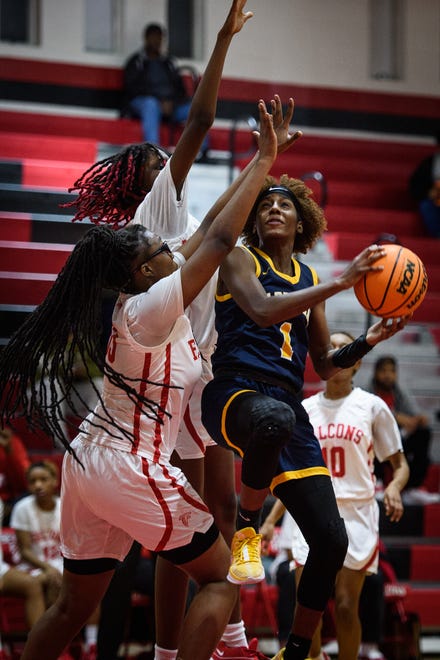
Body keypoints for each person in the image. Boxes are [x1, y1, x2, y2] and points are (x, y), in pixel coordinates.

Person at [0, 90, 279, 660]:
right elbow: (220, 241)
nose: (171, 252)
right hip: (130, 463)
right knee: (223, 580)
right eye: (159, 249)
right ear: (142, 269)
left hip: (87, 460)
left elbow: (203, 234)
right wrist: (267, 165)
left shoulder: (142, 297)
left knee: (74, 606)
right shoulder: (153, 305)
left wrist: (257, 161)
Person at [66, 4, 299, 656]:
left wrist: (262, 163)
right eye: (152, 157)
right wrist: (223, 40)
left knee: (212, 521)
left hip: (195, 375)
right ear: (142, 177)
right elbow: (197, 119)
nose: (164, 156)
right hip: (168, 389)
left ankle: (211, 634)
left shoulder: (171, 215)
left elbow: (224, 230)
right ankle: (204, 637)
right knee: (201, 528)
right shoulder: (156, 205)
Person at [200, 174, 411, 660]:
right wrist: (341, 282)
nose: (274, 209)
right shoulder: (237, 258)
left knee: (331, 541)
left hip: (285, 407)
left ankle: (295, 651)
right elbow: (261, 310)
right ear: (255, 219)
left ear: (302, 223)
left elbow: (322, 363)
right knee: (274, 417)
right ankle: (247, 531)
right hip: (233, 393)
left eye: (284, 205)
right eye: (265, 204)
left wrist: (368, 342)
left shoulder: (310, 279)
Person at [261, 331, 409, 660]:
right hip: (309, 511)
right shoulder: (304, 410)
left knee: (344, 606)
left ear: (357, 361)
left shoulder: (372, 407)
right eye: (331, 347)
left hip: (356, 512)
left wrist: (395, 488)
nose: (337, 353)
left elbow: (400, 466)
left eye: (345, 348)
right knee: (306, 609)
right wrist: (271, 521)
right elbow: (295, 475)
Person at [9, 460, 99, 659]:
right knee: (48, 581)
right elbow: (24, 551)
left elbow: (74, 543)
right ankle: (48, 648)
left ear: (55, 481)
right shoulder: (22, 508)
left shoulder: (64, 506)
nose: (38, 485)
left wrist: (61, 568)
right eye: (33, 481)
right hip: (33, 564)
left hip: (61, 562)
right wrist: (48, 569)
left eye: (43, 479)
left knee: (91, 584)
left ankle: (91, 645)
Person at [123, 22, 208, 158]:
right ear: (146, 38)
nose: (157, 40)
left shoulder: (168, 63)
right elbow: (132, 89)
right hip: (144, 103)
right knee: (151, 104)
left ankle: (200, 152)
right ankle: (153, 152)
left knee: (196, 108)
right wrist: (159, 101)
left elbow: (181, 91)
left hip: (170, 105)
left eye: (160, 37)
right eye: (153, 37)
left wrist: (171, 103)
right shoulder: (136, 61)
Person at [368, 355, 440, 505]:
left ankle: (413, 488)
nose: (388, 375)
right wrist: (396, 417)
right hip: (376, 441)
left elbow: (413, 413)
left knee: (423, 432)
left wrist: (418, 419)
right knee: (374, 433)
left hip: (398, 438)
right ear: (376, 373)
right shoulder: (367, 391)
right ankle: (377, 483)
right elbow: (366, 416)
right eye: (384, 371)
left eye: (392, 371)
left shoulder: (398, 391)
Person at [0, 425, 30, 526]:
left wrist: (9, 450)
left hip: (9, 501)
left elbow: (25, 481)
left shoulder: (11, 442)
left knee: (30, 495)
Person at [408, 145, 440, 238]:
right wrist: (429, 192)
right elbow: (416, 187)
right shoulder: (430, 163)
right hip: (435, 201)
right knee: (426, 206)